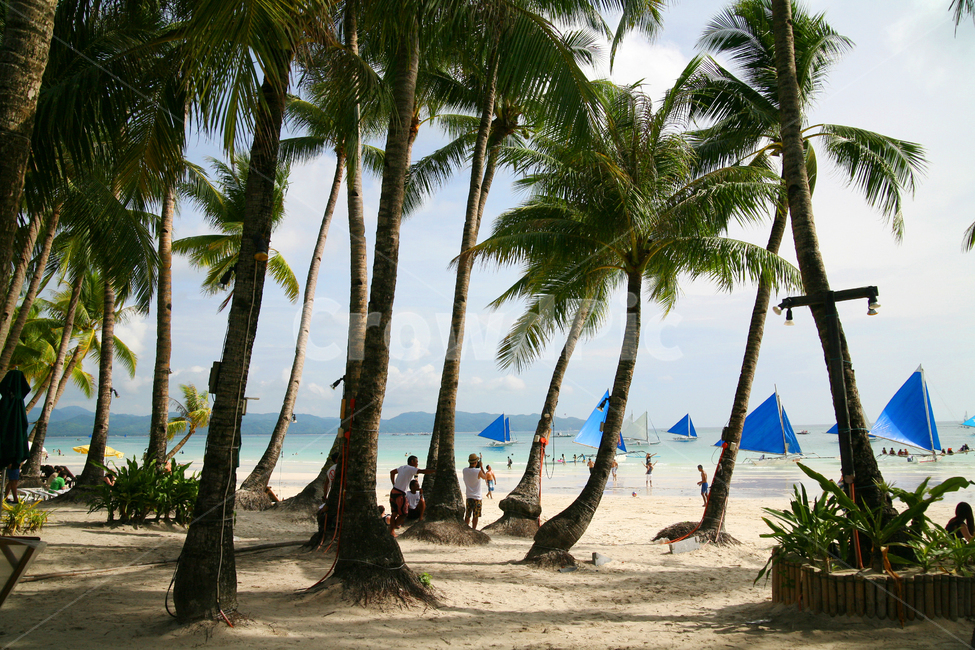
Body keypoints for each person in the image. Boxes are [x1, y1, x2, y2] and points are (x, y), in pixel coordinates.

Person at [389, 455, 432, 536]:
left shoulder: (402, 467)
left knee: (394, 513)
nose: (417, 464)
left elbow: (392, 472)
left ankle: (391, 532)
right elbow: (423, 471)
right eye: (417, 462)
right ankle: (392, 528)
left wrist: (394, 484)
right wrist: (435, 471)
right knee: (404, 514)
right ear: (412, 461)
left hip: (393, 491)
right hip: (400, 494)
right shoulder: (411, 468)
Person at [462, 453, 488, 529]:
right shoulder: (478, 471)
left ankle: (465, 528)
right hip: (477, 497)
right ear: (476, 462)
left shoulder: (464, 470)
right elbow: (485, 477)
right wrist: (482, 467)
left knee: (468, 515)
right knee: (475, 516)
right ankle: (474, 529)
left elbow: (471, 471)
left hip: (469, 496)